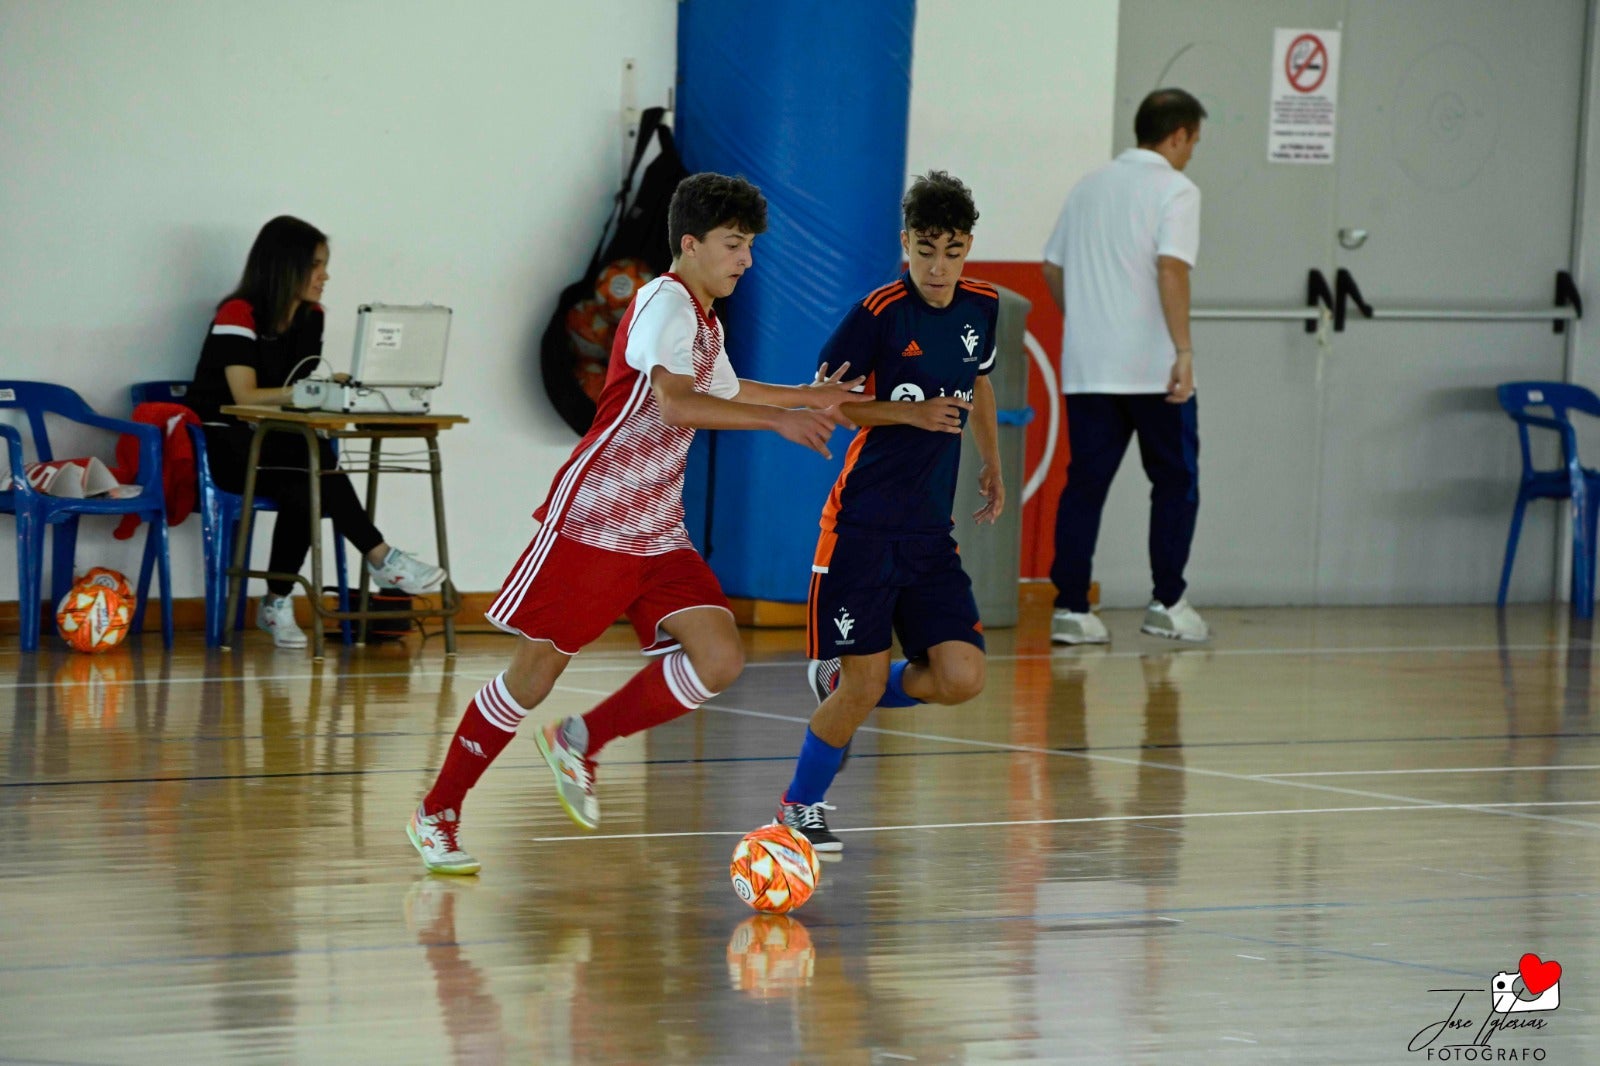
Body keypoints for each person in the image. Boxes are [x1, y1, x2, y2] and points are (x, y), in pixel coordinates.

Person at [407, 172, 865, 875]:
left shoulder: (705, 319)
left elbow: (727, 389)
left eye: (750, 247)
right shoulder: (662, 302)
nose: (746, 259)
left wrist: (811, 396)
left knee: (719, 658)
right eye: (734, 245)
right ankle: (437, 810)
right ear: (691, 244)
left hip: (656, 528)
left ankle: (580, 739)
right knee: (531, 677)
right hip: (596, 522)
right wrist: (781, 420)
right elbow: (679, 404)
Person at [775, 170, 1004, 853]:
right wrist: (908, 412)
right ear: (905, 243)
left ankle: (842, 682)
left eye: (953, 250)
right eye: (925, 249)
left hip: (929, 532)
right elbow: (824, 403)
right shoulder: (876, 312)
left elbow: (979, 383)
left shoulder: (982, 307)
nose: (938, 267)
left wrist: (992, 462)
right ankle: (800, 805)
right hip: (863, 528)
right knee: (866, 681)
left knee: (962, 677)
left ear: (969, 248)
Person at [185, 215, 447, 649]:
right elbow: (244, 394)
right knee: (313, 471)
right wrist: (308, 391)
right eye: (317, 265)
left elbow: (297, 395)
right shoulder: (237, 313)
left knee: (312, 475)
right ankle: (378, 557)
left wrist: (327, 392)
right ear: (286, 266)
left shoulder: (312, 317)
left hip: (272, 441)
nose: (325, 276)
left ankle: (279, 601)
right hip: (223, 444)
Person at [1042, 88, 1210, 646]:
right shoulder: (1177, 190)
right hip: (1153, 370)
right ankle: (1167, 601)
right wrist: (1183, 350)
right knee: (1175, 482)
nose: (1191, 154)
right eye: (1193, 142)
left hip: (1089, 369)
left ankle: (1070, 610)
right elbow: (1171, 269)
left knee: (1084, 485)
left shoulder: (1088, 187)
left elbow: (1051, 268)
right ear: (1178, 135)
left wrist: (1089, 322)